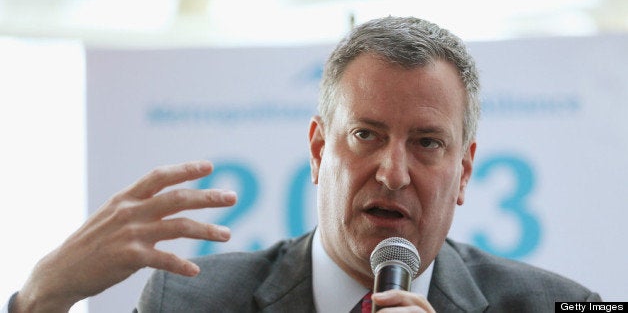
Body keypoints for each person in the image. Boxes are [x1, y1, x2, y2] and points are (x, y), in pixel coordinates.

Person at [5, 16, 600, 313]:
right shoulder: (187, 302)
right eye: (366, 135)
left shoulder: (562, 303)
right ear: (319, 150)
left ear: (465, 172)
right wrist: (36, 301)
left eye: (426, 143)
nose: (393, 172)